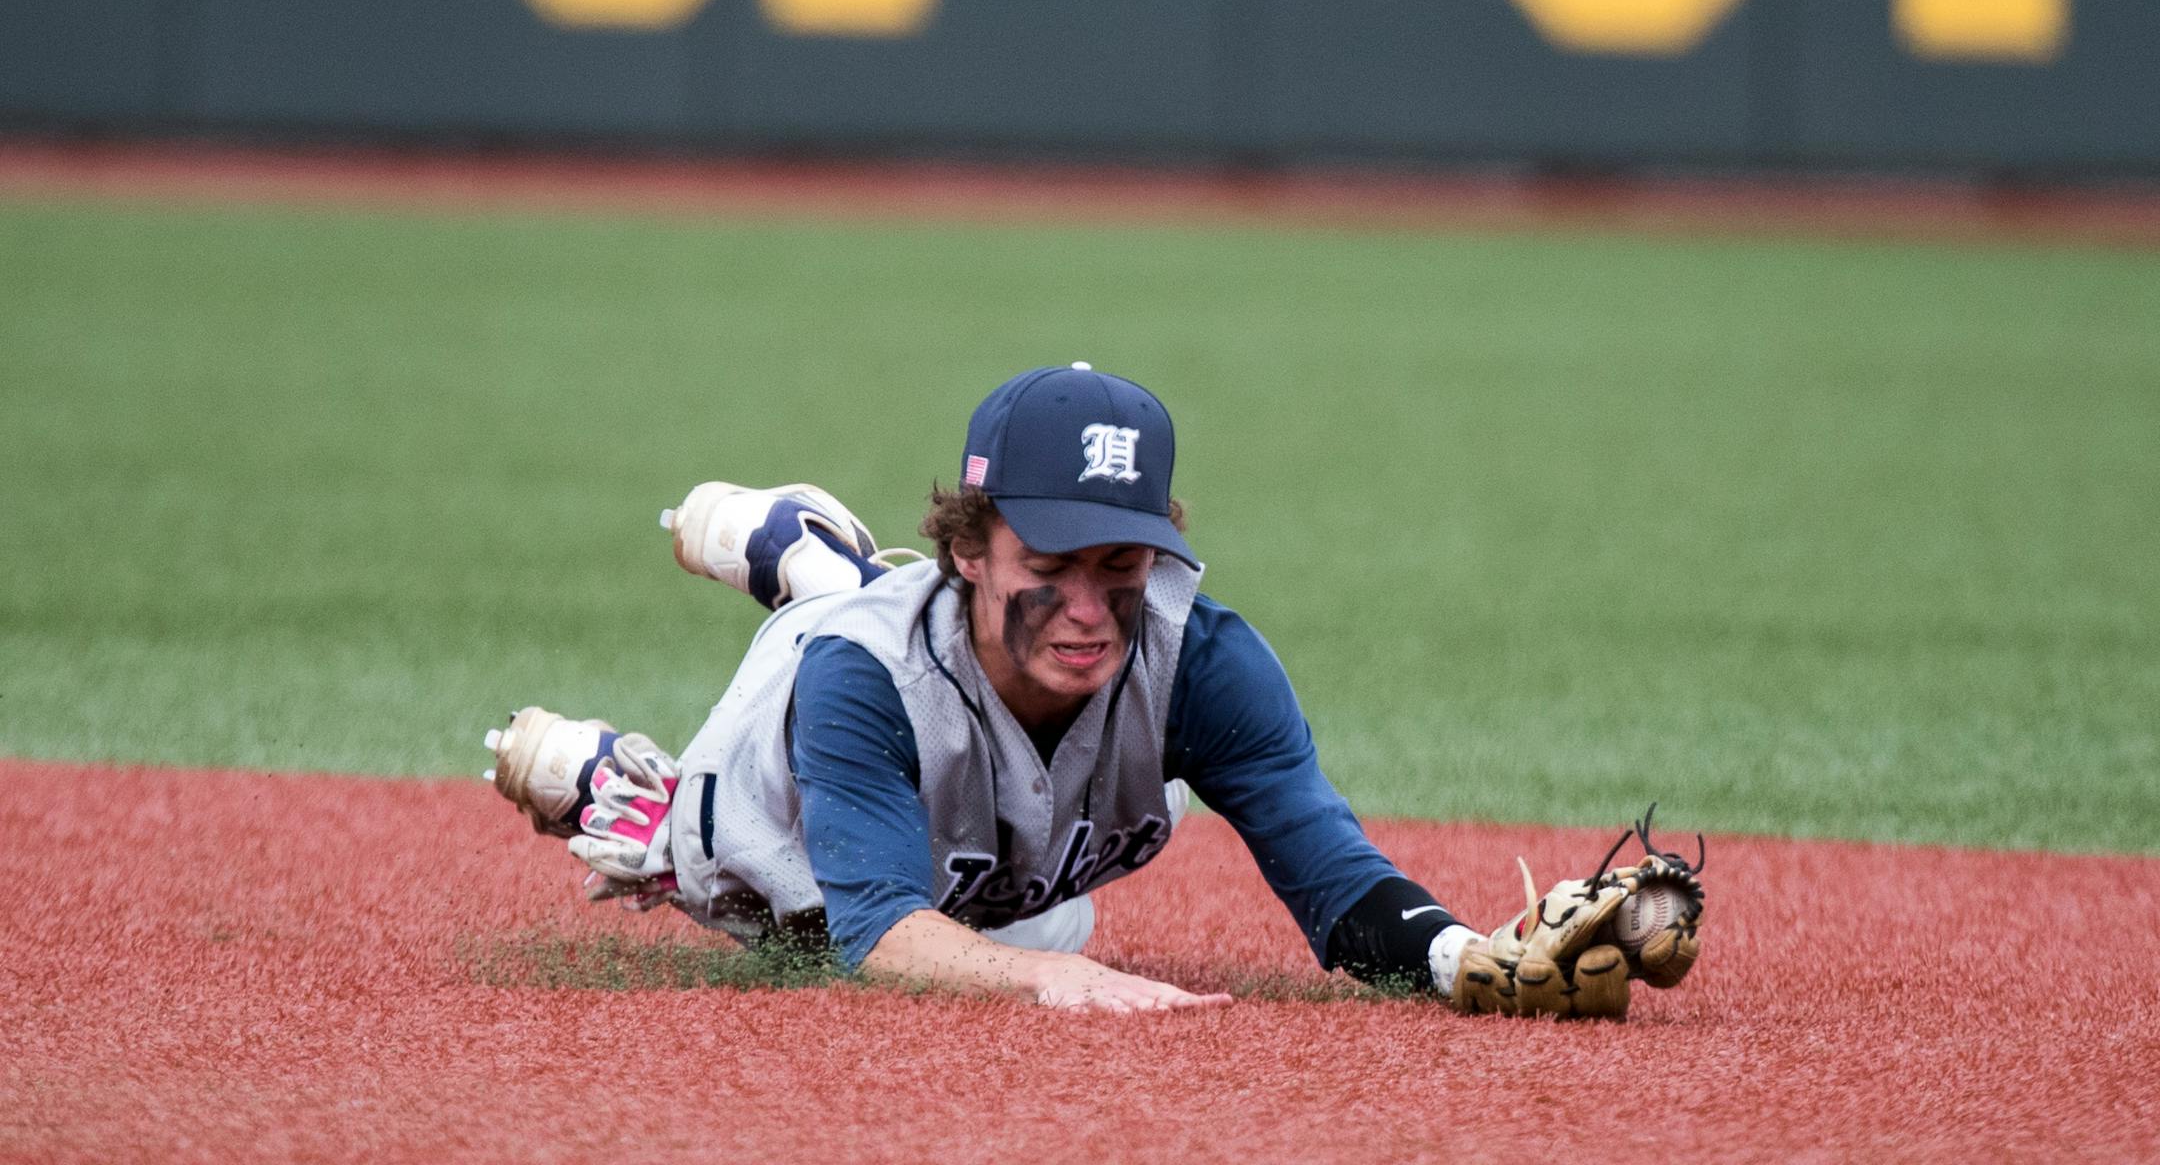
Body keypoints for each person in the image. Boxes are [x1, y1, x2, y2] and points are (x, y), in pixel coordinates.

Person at [487, 364, 1680, 1015]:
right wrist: (1046, 983)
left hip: (1004, 889)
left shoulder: (1201, 662)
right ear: (969, 543)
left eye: (1122, 563)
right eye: (1050, 564)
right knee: (744, 881)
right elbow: (879, 936)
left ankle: (822, 561)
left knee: (1038, 929)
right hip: (780, 825)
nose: (1091, 608)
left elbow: (1333, 877)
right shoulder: (861, 681)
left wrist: (1458, 955)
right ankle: (640, 766)